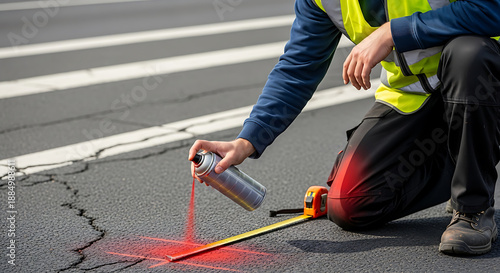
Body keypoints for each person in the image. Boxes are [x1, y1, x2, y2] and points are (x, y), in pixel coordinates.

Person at [189, 0, 500, 255]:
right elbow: (298, 67)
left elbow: (492, 9)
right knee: (351, 204)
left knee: (469, 53)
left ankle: (472, 209)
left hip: (486, 85)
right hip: (415, 97)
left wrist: (394, 32)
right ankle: (467, 161)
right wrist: (246, 142)